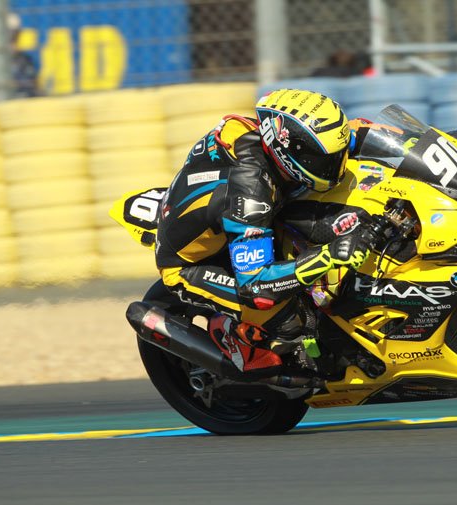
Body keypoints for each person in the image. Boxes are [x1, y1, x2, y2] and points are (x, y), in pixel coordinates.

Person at [155, 89, 372, 374]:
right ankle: (235, 340)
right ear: (285, 150)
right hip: (194, 263)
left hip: (238, 220)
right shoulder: (250, 193)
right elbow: (256, 285)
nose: (335, 167)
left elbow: (357, 133)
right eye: (322, 160)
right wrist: (327, 256)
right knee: (295, 322)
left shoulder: (280, 143)